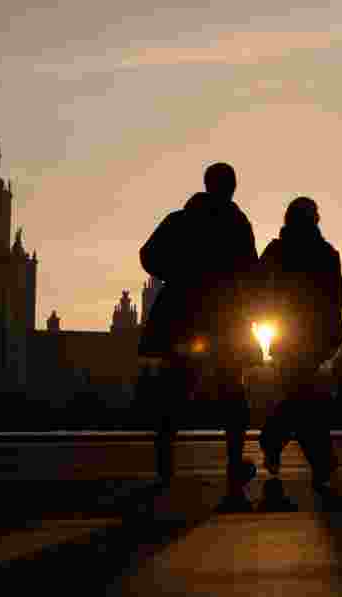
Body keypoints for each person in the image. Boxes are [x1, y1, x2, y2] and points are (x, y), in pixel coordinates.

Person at [139, 162, 260, 510]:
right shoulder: (237, 224)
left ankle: (164, 468)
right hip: (224, 319)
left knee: (174, 392)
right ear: (231, 187)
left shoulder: (181, 219)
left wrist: (177, 276)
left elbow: (148, 256)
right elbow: (250, 272)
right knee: (232, 396)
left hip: (184, 317)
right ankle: (234, 468)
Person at [256, 197, 342, 490]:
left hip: (288, 337)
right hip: (311, 338)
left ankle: (276, 443)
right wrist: (334, 336)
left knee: (301, 398)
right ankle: (319, 462)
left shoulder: (276, 252)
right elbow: (334, 300)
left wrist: (258, 319)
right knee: (304, 398)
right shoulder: (326, 254)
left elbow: (257, 290)